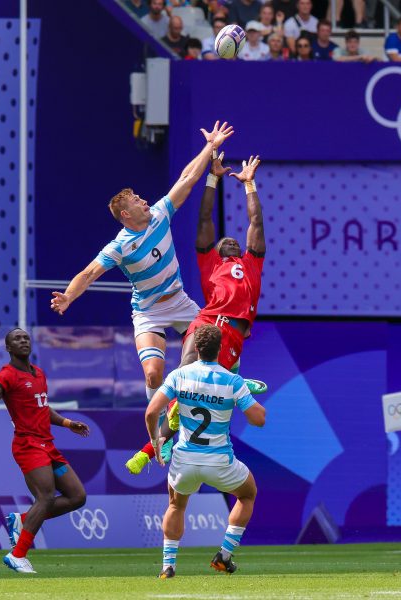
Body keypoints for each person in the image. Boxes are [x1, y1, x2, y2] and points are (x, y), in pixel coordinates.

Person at [51, 122, 234, 414]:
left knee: (218, 344)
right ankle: (159, 427)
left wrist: (210, 146)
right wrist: (69, 297)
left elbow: (187, 178)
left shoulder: (160, 213)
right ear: (126, 214)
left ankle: (222, 397)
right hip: (148, 312)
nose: (144, 200)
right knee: (153, 373)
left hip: (180, 302)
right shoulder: (119, 247)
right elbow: (88, 274)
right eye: (137, 200)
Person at [126, 154, 267, 475]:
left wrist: (249, 184)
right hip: (204, 324)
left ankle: (150, 449)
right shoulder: (210, 263)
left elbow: (256, 223)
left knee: (203, 392)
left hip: (232, 333)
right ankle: (153, 446)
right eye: (223, 241)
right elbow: (205, 219)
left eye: (234, 240)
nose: (229, 239)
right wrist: (212, 178)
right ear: (214, 251)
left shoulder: (252, 263)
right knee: (184, 377)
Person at [0, 328, 91, 574]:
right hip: (28, 445)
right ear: (8, 348)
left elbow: (43, 408)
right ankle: (18, 555)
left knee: (77, 496)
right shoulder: (7, 375)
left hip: (47, 445)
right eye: (17, 339)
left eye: (26, 337)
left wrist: (68, 423)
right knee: (46, 497)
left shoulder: (39, 373)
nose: (23, 341)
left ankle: (22, 520)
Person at [146, 324, 266, 578]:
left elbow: (151, 412)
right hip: (219, 461)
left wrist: (156, 442)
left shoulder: (180, 376)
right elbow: (258, 419)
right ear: (220, 349)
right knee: (247, 494)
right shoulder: (232, 380)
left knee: (176, 506)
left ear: (196, 349)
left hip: (185, 459)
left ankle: (168, 566)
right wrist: (243, 396)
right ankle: (224, 556)